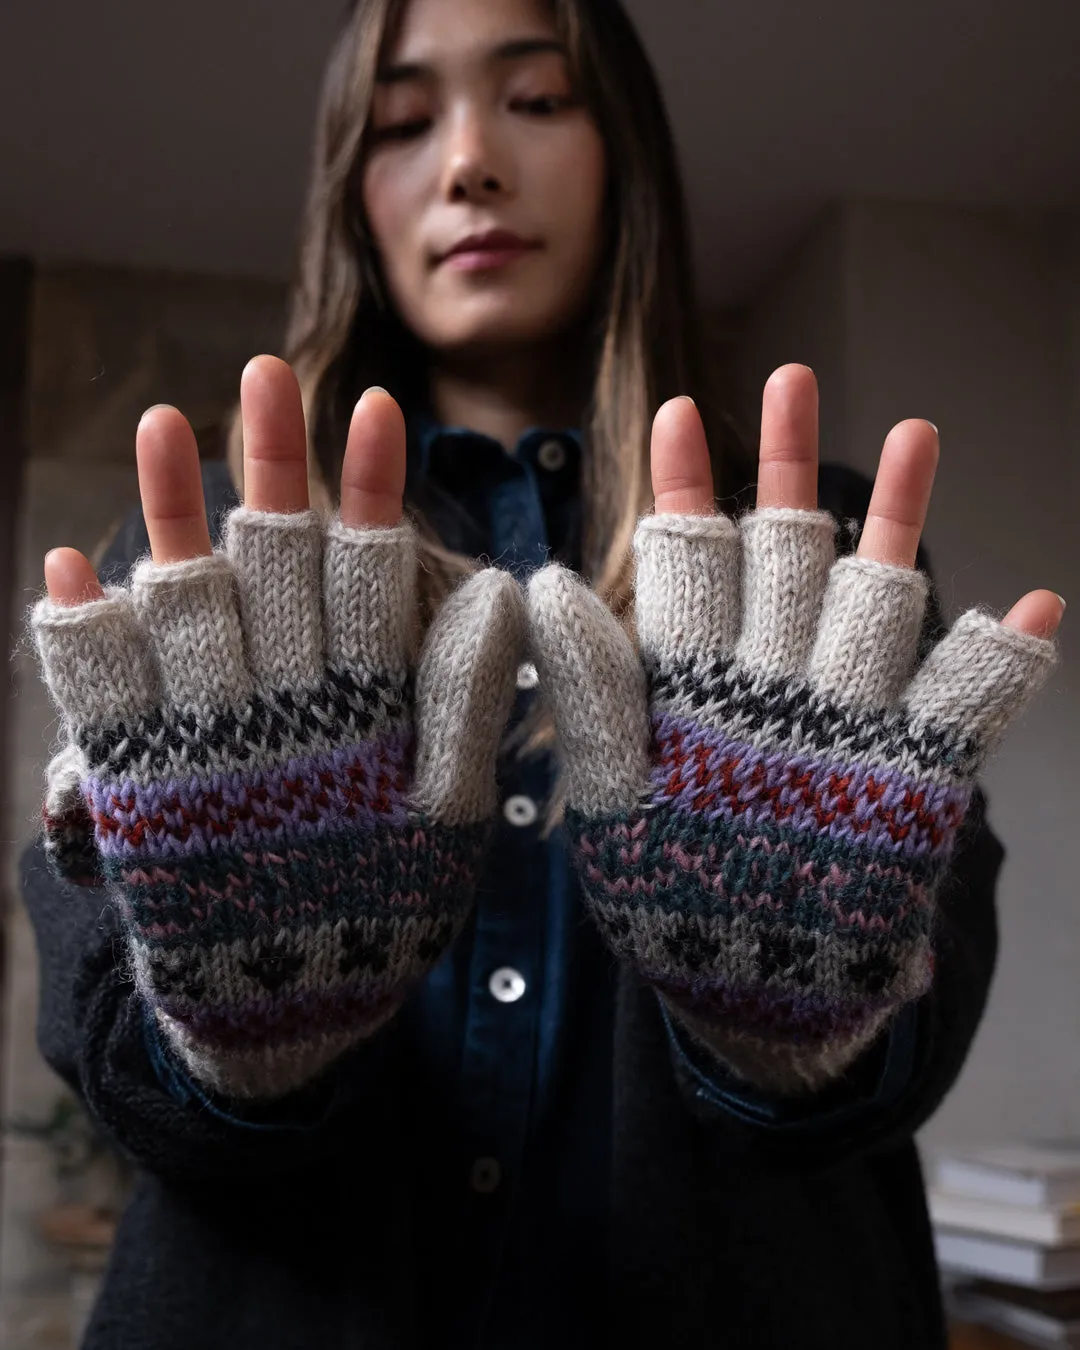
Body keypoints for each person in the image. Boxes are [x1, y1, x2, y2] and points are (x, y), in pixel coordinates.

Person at [20, 0, 1064, 1346]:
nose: (468, 162)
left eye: (536, 97)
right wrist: (238, 1042)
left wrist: (793, 1019)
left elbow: (924, 1008)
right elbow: (97, 1022)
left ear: (624, 153)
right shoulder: (206, 561)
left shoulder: (815, 562)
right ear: (353, 192)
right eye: (402, 122)